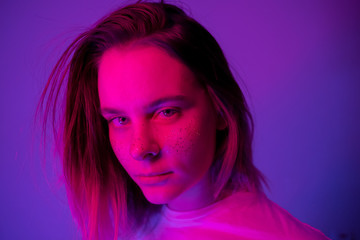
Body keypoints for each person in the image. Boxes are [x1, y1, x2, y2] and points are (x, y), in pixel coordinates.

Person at [39, 1, 330, 239]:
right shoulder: (123, 228)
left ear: (220, 108)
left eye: (166, 112)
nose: (140, 148)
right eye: (119, 120)